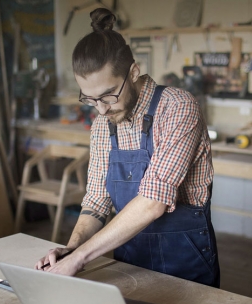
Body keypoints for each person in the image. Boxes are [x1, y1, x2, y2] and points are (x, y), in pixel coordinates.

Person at [35, 8, 220, 288]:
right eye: (90, 99)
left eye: (108, 95)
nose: (101, 109)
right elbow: (97, 202)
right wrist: (71, 249)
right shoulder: (102, 125)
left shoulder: (178, 107)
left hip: (186, 263)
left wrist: (81, 258)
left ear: (133, 72)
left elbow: (153, 201)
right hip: (129, 264)